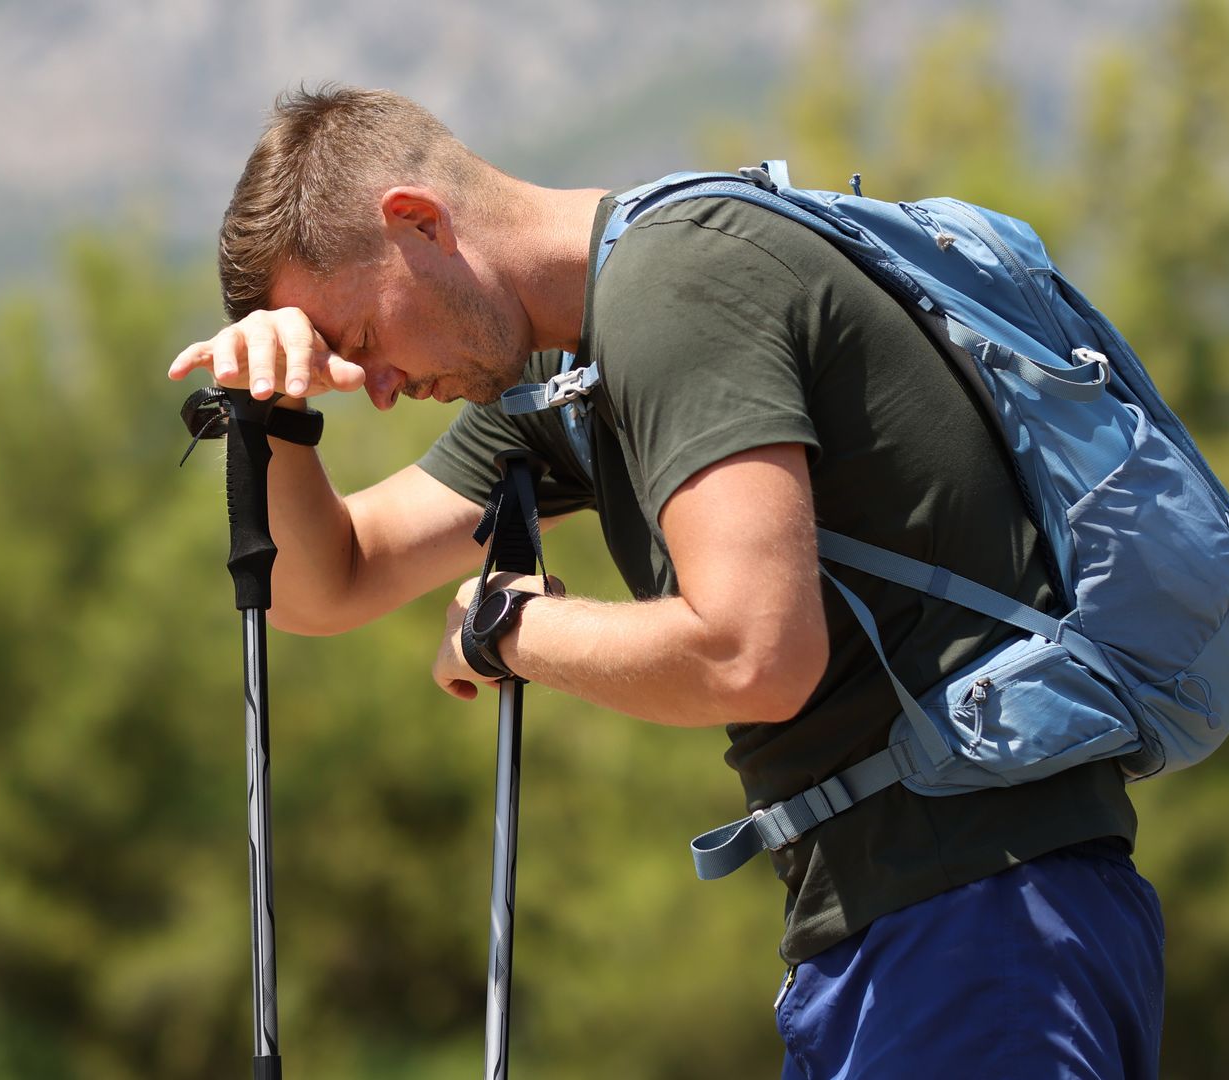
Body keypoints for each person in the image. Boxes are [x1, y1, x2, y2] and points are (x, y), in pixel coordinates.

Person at [167, 85, 1165, 1078]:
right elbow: (323, 586)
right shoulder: (571, 376)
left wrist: (510, 627)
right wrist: (274, 418)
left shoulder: (671, 292)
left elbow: (753, 652)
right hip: (902, 925)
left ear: (417, 222)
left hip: (980, 917)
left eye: (364, 341)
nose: (377, 390)